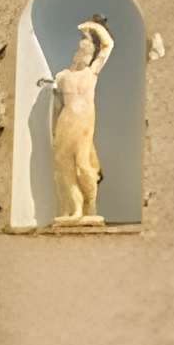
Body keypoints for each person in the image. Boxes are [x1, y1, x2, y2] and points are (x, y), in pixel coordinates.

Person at [40, 18, 113, 222]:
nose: (84, 55)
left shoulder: (91, 73)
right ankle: (75, 209)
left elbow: (108, 46)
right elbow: (56, 106)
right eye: (82, 50)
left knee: (83, 165)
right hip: (66, 122)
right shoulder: (62, 76)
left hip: (84, 123)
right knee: (64, 167)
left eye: (89, 52)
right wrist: (53, 128)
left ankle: (90, 206)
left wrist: (94, 29)